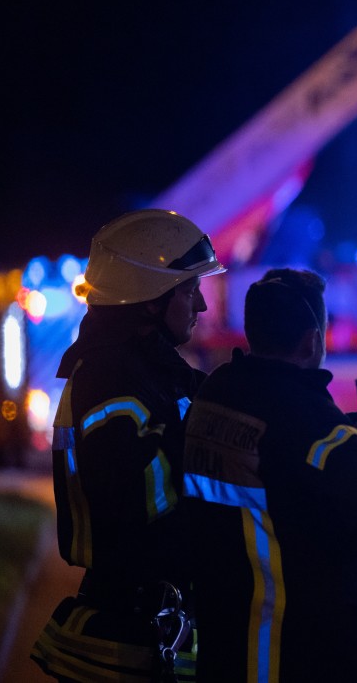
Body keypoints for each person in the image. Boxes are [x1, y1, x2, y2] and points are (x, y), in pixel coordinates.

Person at [181, 267, 357, 682]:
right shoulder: (309, 423)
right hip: (304, 653)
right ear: (313, 340)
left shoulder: (214, 396)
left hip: (227, 641)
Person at [31, 208, 226, 682]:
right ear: (150, 300)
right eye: (190, 291)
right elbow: (133, 496)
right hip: (129, 634)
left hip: (150, 616)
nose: (200, 307)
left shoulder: (153, 374)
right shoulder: (111, 381)